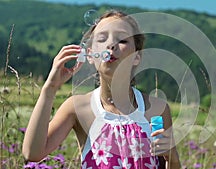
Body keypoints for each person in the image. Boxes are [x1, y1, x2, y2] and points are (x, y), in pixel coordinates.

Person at [22, 10, 181, 169]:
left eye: (122, 40)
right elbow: (32, 153)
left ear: (136, 57)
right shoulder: (78, 108)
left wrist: (172, 157)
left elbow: (169, 164)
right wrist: (49, 89)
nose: (111, 44)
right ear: (90, 55)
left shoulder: (156, 109)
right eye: (102, 39)